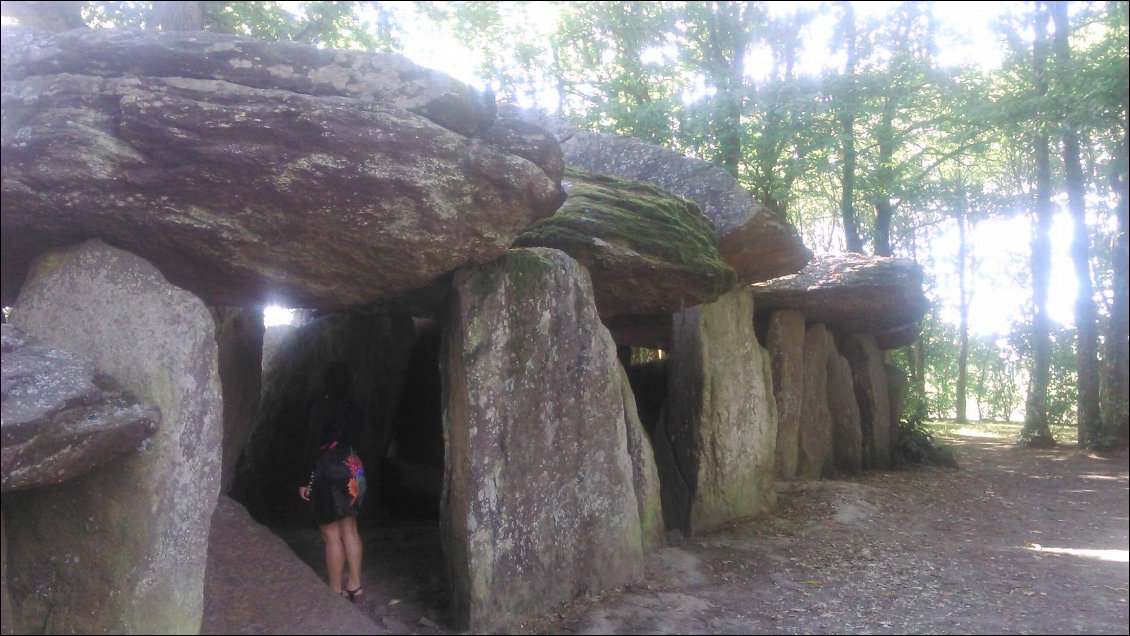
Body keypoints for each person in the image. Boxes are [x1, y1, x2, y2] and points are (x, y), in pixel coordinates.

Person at [298, 361, 367, 602]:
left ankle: (335, 590)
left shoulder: (321, 407)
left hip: (329, 468)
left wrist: (305, 478)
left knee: (331, 534)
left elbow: (312, 444)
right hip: (353, 466)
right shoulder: (356, 408)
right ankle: (355, 586)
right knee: (350, 529)